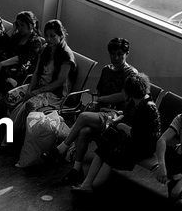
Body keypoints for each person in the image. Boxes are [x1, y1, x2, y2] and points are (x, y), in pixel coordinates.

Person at [55, 37, 138, 171]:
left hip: (117, 115)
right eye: (113, 54)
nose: (116, 57)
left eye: (120, 55)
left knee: (83, 117)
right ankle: (76, 169)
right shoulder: (106, 70)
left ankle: (62, 147)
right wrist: (96, 103)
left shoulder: (131, 73)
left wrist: (102, 100)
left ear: (126, 54)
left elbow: (123, 95)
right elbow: (99, 92)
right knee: (84, 131)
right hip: (102, 111)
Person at [72, 73, 159, 193]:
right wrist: (115, 121)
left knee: (113, 153)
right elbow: (126, 115)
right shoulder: (136, 101)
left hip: (143, 146)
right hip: (132, 139)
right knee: (103, 148)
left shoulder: (148, 108)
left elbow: (139, 135)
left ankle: (92, 186)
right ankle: (86, 184)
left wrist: (122, 126)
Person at [5, 19, 75, 123]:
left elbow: (59, 82)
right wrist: (30, 90)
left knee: (28, 105)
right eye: (46, 36)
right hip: (40, 86)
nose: (48, 39)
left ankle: (16, 131)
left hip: (55, 93)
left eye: (52, 36)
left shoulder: (66, 56)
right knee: (10, 97)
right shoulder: (45, 49)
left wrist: (35, 92)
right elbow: (37, 72)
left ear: (60, 35)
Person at [0, 11, 43, 91]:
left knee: (5, 71)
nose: (20, 28)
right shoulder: (18, 35)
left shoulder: (35, 41)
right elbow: (2, 44)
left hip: (21, 66)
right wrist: (13, 29)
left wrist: (2, 64)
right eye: (18, 25)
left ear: (31, 26)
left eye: (22, 25)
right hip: (9, 61)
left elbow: (24, 58)